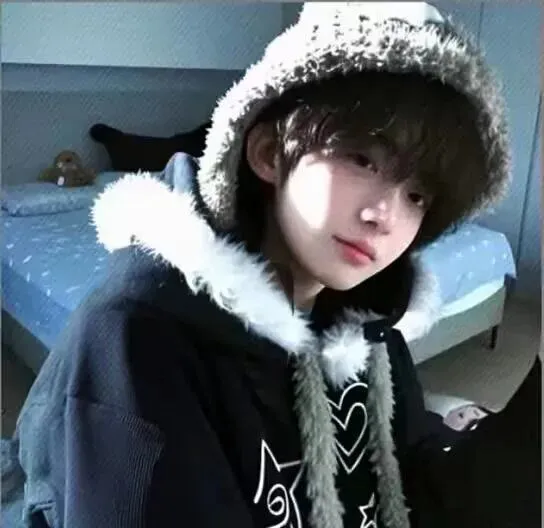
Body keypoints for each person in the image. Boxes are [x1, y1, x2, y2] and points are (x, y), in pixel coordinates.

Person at [9, 2, 540, 527]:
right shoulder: (135, 337)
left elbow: (415, 487)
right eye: (362, 160)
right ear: (268, 153)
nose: (385, 216)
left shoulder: (367, 329)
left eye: (417, 195)